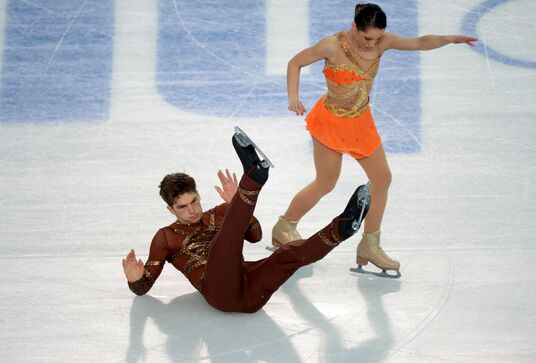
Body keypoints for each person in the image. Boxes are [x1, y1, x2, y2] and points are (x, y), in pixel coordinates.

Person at [272, 3, 477, 276]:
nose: (373, 43)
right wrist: (293, 97)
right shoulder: (332, 46)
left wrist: (449, 39)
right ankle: (285, 226)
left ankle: (370, 243)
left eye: (378, 38)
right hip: (331, 121)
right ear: (355, 27)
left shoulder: (382, 43)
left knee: (382, 179)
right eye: (368, 37)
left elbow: (419, 42)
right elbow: (295, 62)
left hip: (360, 123)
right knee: (326, 182)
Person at [122, 130, 371, 313]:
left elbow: (255, 236)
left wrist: (234, 207)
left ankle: (344, 226)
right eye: (182, 207)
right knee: (223, 242)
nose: (192, 210)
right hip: (219, 292)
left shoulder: (219, 213)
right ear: (170, 209)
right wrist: (135, 280)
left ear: (199, 194)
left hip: (251, 294)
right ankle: (254, 176)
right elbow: (144, 287)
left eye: (194, 201)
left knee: (287, 254)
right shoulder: (166, 236)